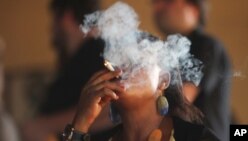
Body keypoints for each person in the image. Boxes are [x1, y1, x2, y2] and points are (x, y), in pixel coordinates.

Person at [60, 34, 219, 141]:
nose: (122, 67)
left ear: (162, 80)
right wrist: (80, 124)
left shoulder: (197, 137)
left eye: (135, 58)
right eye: (118, 60)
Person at [22, 0, 113, 141]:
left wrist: (45, 125)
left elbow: (112, 108)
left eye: (54, 20)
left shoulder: (95, 52)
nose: (51, 29)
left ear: (67, 16)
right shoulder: (77, 60)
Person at [151, 0, 232, 140]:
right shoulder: (164, 49)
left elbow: (184, 96)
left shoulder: (207, 46)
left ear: (194, 8)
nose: (157, 7)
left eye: (167, 1)